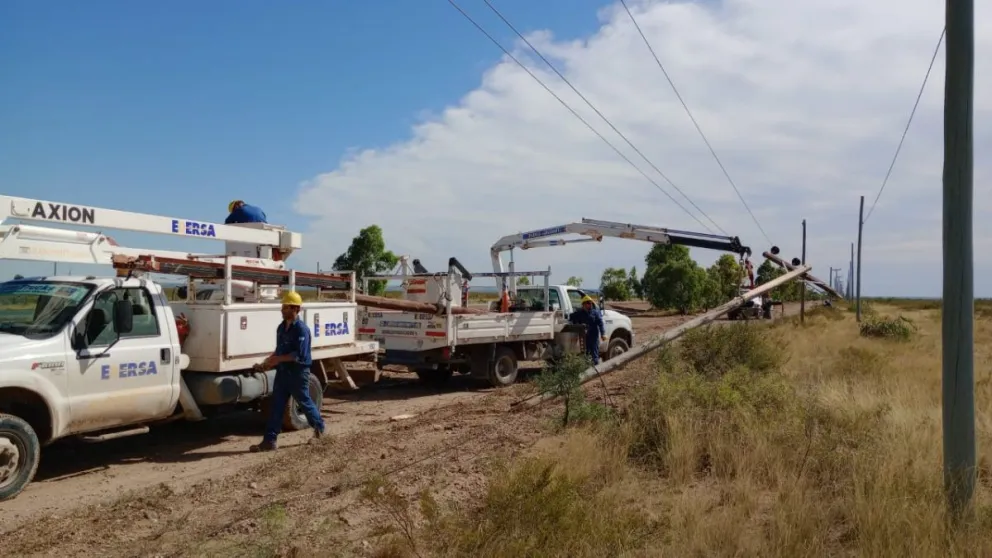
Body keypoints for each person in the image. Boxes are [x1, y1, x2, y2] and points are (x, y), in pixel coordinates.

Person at [249, 291, 325, 452]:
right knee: (276, 405)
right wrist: (267, 362)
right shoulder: (281, 328)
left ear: (295, 308)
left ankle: (320, 431)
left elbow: (300, 354)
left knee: (304, 402)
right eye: (282, 306)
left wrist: (278, 359)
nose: (282, 309)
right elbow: (279, 350)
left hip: (298, 372)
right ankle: (269, 441)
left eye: (286, 307)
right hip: (283, 372)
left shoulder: (301, 330)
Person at [569, 294, 607, 365]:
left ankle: (596, 368)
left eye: (591, 303)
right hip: (584, 337)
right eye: (589, 303)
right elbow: (571, 317)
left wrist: (603, 333)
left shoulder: (595, 313)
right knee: (586, 354)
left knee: (594, 354)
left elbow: (600, 323)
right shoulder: (579, 313)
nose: (591, 304)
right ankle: (588, 370)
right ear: (584, 304)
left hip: (594, 337)